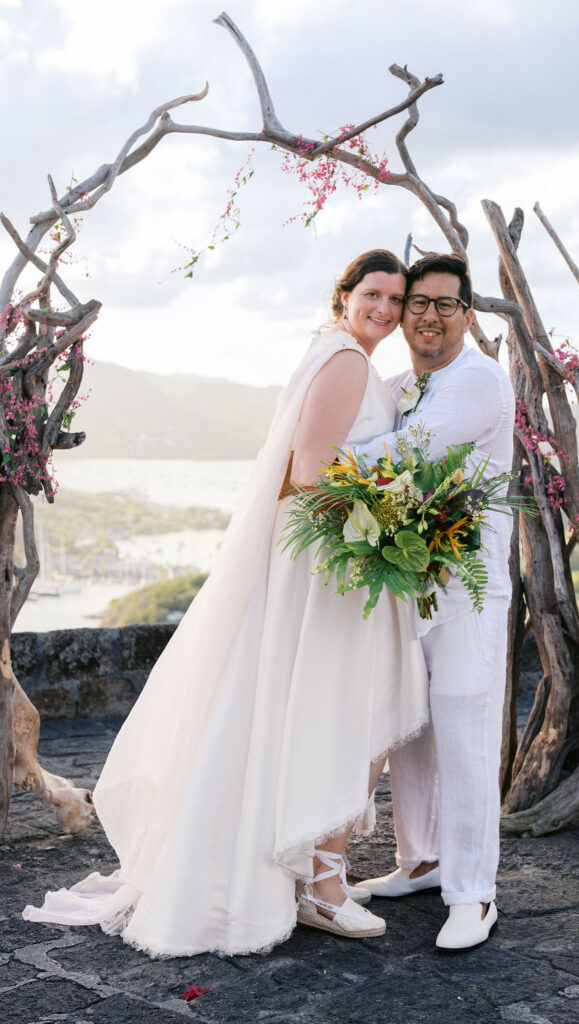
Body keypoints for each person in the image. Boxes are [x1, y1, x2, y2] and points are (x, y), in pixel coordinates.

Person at [23, 250, 430, 957]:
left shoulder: (334, 355)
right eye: (373, 294)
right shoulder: (346, 362)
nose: (385, 310)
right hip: (326, 560)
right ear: (343, 297)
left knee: (302, 710)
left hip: (318, 555)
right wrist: (387, 516)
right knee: (331, 710)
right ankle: (321, 886)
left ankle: (307, 870)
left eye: (396, 299)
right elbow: (309, 472)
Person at [354, 253, 515, 951]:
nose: (427, 315)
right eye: (417, 302)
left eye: (444, 304)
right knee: (410, 729)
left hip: (467, 589)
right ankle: (417, 859)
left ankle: (473, 894)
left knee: (465, 728)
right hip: (408, 581)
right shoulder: (400, 382)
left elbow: (403, 455)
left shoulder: (477, 379)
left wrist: (311, 456)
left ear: (466, 314)